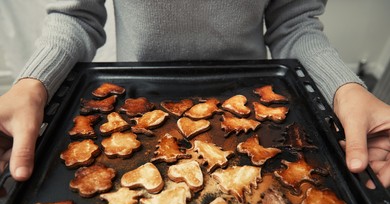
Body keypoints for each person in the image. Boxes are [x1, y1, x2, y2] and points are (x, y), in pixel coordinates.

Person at [0, 0, 389, 188]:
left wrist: (344, 88)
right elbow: (76, 15)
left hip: (251, 104)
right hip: (138, 99)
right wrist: (31, 85)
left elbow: (294, 21)